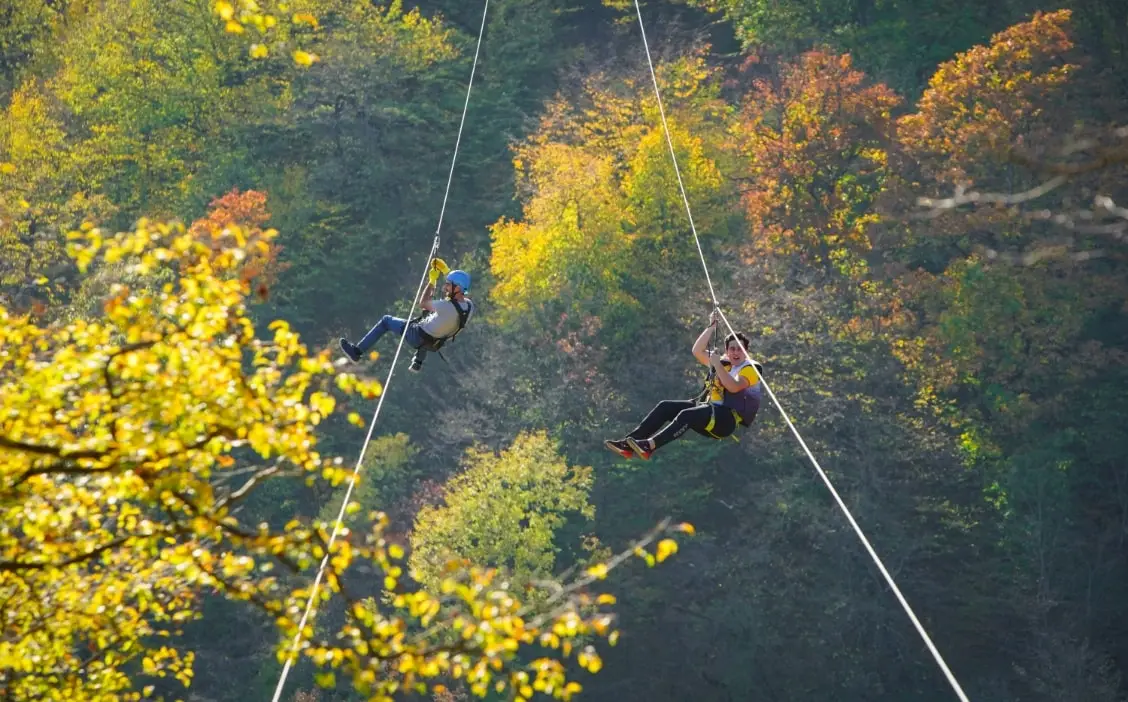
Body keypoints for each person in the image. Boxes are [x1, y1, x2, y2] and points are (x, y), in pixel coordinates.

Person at [604, 311, 761, 460]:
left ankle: (649, 446)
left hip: (725, 420)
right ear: (726, 351)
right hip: (707, 410)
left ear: (746, 351)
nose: (736, 352)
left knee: (687, 414)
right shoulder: (723, 363)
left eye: (740, 349)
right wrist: (711, 326)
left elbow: (734, 387)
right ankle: (630, 444)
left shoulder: (750, 369)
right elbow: (697, 351)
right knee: (665, 407)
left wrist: (716, 364)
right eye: (732, 349)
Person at [339, 258, 473, 372]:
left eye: (449, 285)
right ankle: (418, 362)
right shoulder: (468, 306)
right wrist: (447, 271)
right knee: (430, 320)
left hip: (417, 336)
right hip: (435, 342)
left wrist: (432, 281)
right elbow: (457, 296)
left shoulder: (445, 307)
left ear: (458, 288)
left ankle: (357, 352)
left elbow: (423, 302)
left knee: (386, 321)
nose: (445, 288)